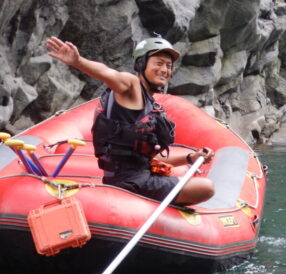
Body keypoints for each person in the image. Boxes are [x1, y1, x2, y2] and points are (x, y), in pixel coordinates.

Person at [46, 35, 215, 205]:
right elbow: (108, 73)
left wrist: (191, 157)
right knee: (206, 187)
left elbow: (148, 160)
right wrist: (78, 62)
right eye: (159, 63)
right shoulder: (131, 86)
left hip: (136, 178)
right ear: (141, 64)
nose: (165, 70)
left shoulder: (150, 104)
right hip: (131, 182)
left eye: (169, 66)